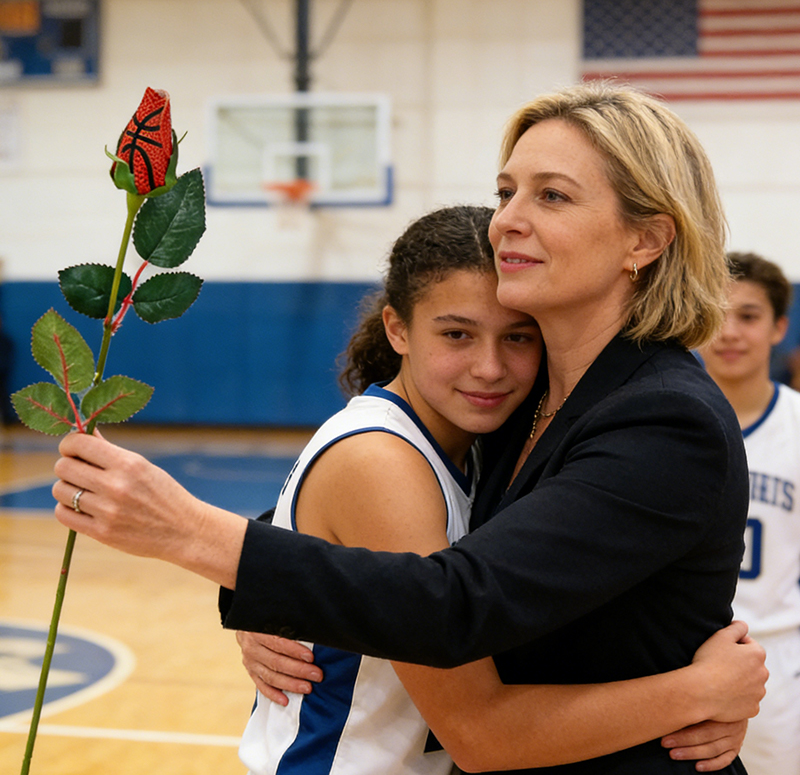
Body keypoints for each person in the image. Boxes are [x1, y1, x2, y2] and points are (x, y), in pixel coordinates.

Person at [52, 82, 761, 774]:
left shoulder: (665, 418)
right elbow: (355, 508)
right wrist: (262, 602)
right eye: (505, 191)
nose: (509, 218)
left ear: (646, 239)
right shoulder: (534, 393)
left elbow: (456, 602)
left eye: (552, 195)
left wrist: (194, 534)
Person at [236, 205, 761, 775]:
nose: (489, 367)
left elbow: (321, 540)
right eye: (456, 333)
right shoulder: (380, 459)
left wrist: (260, 593)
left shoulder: (488, 435)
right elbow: (479, 723)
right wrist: (700, 693)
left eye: (517, 336)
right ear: (397, 329)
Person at [698, 252, 800, 775]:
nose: (730, 332)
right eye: (718, 312)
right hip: (688, 662)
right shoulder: (667, 421)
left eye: (750, 316)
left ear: (780, 327)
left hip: (781, 661)